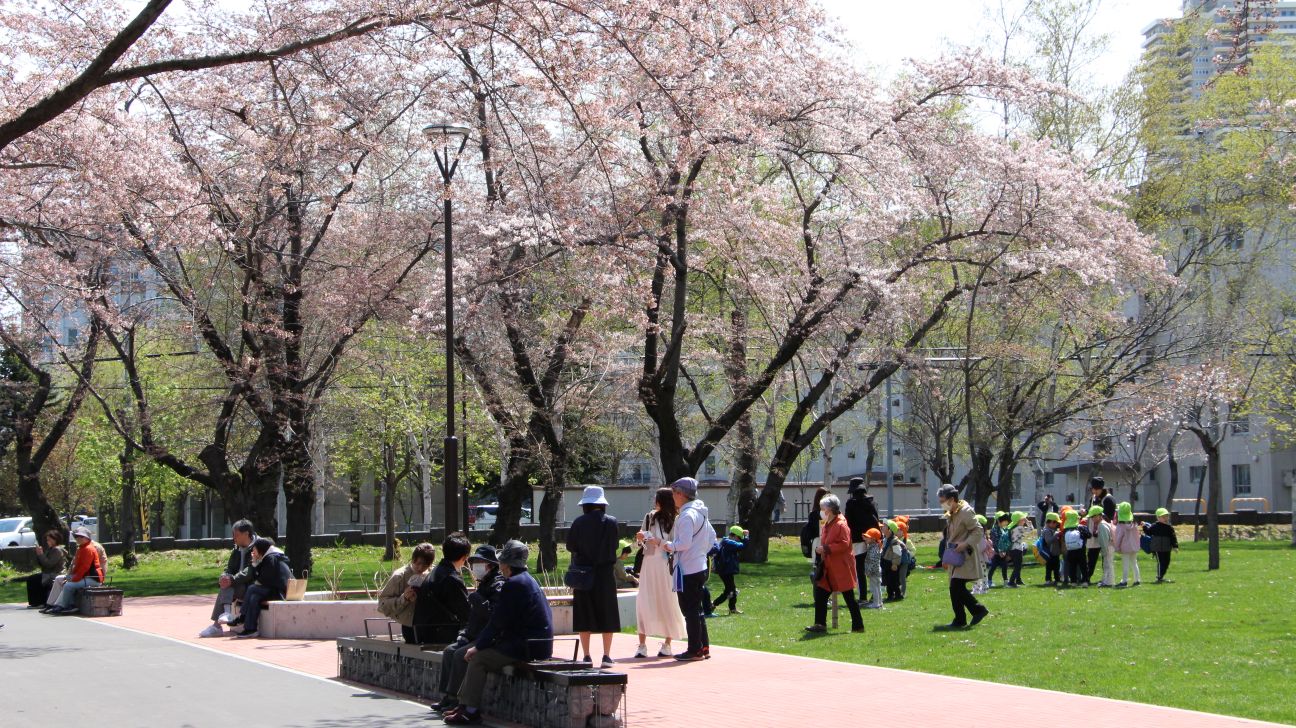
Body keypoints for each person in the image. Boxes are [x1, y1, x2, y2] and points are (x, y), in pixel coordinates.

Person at [443, 540, 553, 726]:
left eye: (501, 561)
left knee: (478, 659)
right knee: (476, 654)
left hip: (526, 646)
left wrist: (478, 647)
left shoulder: (514, 585)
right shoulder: (527, 580)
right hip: (535, 642)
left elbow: (497, 622)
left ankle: (470, 710)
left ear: (506, 564)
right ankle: (464, 705)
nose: (499, 564)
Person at [431, 545, 506, 716]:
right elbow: (474, 619)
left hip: (488, 638)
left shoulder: (497, 584)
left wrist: (478, 600)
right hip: (475, 634)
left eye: (480, 562)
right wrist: (464, 635)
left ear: (490, 565)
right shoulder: (484, 583)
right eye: (474, 562)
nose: (476, 566)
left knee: (460, 655)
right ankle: (448, 696)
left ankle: (457, 699)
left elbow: (492, 615)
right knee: (450, 651)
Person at [656, 476, 716, 662]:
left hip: (688, 568)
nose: (672, 496)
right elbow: (712, 536)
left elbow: (684, 543)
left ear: (681, 494)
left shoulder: (686, 515)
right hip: (699, 565)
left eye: (674, 493)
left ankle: (694, 649)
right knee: (696, 609)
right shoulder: (701, 512)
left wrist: (668, 545)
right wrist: (700, 552)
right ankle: (703, 647)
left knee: (689, 610)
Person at [567, 485, 621, 668]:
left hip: (583, 574)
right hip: (605, 573)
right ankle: (606, 655)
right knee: (608, 613)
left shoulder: (579, 522)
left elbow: (570, 546)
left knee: (584, 613)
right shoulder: (612, 522)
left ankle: (587, 655)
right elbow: (614, 546)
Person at [634, 487, 686, 658]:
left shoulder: (676, 520)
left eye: (657, 499)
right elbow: (641, 540)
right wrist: (641, 538)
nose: (655, 502)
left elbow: (675, 543)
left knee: (667, 600)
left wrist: (659, 541)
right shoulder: (650, 517)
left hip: (665, 564)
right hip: (649, 562)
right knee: (644, 599)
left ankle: (667, 643)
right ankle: (642, 645)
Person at [806, 494, 864, 632]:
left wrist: (826, 548)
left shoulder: (841, 524)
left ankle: (858, 625)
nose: (821, 511)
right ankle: (820, 624)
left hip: (841, 567)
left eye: (822, 508)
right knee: (820, 593)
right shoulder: (828, 523)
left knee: (849, 597)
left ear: (829, 510)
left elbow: (844, 544)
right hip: (829, 566)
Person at [936, 484, 988, 630]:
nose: (941, 504)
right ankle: (960, 619)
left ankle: (978, 610)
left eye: (943, 501)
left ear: (952, 499)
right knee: (954, 588)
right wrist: (945, 558)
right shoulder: (952, 512)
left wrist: (965, 544)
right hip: (954, 556)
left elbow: (978, 531)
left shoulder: (965, 511)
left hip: (965, 555)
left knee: (956, 586)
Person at [412, 532, 472, 645]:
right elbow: (466, 612)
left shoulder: (435, 572)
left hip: (423, 633)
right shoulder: (451, 578)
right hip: (441, 636)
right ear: (464, 557)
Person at [201, 519, 257, 637]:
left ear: (246, 534)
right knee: (226, 582)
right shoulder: (236, 549)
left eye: (236, 535)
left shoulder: (257, 548)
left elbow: (250, 571)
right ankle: (222, 618)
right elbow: (229, 568)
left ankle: (218, 624)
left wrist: (231, 579)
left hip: (252, 586)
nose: (234, 538)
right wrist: (224, 576)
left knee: (229, 583)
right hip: (238, 584)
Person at [377, 542, 437, 643]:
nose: (421, 568)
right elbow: (382, 604)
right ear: (413, 559)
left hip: (431, 624)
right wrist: (404, 598)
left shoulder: (432, 574)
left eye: (426, 565)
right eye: (418, 563)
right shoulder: (399, 576)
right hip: (411, 626)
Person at [230, 537, 291, 637]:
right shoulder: (268, 558)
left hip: (279, 592)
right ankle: (251, 629)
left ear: (261, 549)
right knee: (254, 598)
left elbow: (264, 579)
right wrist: (255, 563)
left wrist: (255, 565)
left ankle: (243, 617)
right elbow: (261, 578)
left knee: (252, 588)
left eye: (254, 550)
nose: (253, 552)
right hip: (273, 590)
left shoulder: (271, 558)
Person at [45, 527, 103, 615]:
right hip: (82, 577)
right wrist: (69, 577)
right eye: (76, 536)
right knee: (59, 579)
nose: (77, 538)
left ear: (87, 538)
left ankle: (64, 606)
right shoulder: (81, 548)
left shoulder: (88, 549)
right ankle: (51, 604)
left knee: (68, 585)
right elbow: (75, 567)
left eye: (80, 536)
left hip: (92, 578)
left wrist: (72, 579)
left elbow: (84, 568)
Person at [844, 477, 880, 603]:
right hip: (872, 537)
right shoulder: (872, 502)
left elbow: (848, 522)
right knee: (874, 567)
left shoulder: (851, 504)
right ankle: (876, 594)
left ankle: (863, 596)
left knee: (859, 568)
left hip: (858, 539)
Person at [710, 525, 747, 614]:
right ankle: (713, 604)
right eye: (739, 538)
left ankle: (731, 608)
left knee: (731, 590)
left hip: (726, 570)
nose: (739, 541)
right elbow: (742, 546)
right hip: (725, 570)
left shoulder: (726, 541)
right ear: (734, 536)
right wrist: (746, 537)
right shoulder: (728, 542)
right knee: (730, 590)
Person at [25, 530, 66, 608]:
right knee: (31, 578)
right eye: (47, 540)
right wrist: (39, 555)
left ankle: (40, 602)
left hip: (54, 573)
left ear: (56, 539)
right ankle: (35, 602)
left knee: (35, 580)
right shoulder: (50, 549)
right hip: (48, 572)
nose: (48, 542)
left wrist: (41, 555)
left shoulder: (57, 550)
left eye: (50, 540)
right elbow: (43, 564)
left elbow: (49, 564)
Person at [1143, 507, 1179, 582]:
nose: (1166, 518)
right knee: (1160, 562)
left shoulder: (1169, 528)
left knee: (1167, 562)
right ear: (1158, 518)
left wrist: (1175, 546)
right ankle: (1159, 577)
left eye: (1167, 516)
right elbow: (1148, 532)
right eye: (1163, 517)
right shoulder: (1154, 526)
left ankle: (1161, 576)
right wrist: (1144, 526)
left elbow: (1173, 537)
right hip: (1157, 548)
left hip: (1167, 548)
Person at [1112, 502, 1142, 587]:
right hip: (1134, 547)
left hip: (1125, 548)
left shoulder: (1121, 526)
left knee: (1125, 565)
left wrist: (1117, 548)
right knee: (1134, 563)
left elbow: (1118, 538)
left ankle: (1124, 581)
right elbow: (1137, 536)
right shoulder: (1134, 524)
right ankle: (1137, 580)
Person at [1062, 510, 1090, 587]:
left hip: (1070, 550)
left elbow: (1064, 539)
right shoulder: (1081, 527)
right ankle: (1085, 581)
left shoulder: (1065, 529)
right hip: (1081, 550)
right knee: (1083, 566)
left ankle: (1073, 582)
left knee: (1072, 566)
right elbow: (1089, 535)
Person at [860, 527, 884, 610]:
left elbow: (873, 561)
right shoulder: (875, 546)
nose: (866, 538)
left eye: (867, 537)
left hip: (873, 572)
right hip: (876, 571)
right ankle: (879, 603)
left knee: (874, 588)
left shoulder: (873, 548)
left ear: (873, 539)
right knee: (877, 587)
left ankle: (876, 603)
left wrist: (869, 571)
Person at [880, 520, 904, 602]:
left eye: (885, 526)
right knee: (887, 580)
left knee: (893, 581)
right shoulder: (885, 539)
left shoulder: (894, 541)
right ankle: (890, 595)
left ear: (890, 530)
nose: (882, 527)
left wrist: (895, 564)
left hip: (891, 563)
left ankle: (898, 595)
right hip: (886, 562)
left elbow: (897, 553)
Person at [1007, 511, 1030, 587]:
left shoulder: (1012, 528)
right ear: (1019, 520)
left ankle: (1018, 579)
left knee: (1017, 565)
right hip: (1017, 549)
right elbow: (1030, 529)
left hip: (1013, 549)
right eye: (1023, 519)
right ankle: (1011, 582)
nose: (1024, 520)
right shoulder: (1019, 528)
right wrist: (1029, 523)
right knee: (1018, 566)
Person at [988, 513, 1010, 588]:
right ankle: (989, 581)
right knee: (993, 566)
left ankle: (1006, 581)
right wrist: (999, 551)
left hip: (1003, 552)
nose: (1007, 522)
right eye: (1005, 521)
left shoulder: (1003, 529)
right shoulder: (994, 530)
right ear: (1000, 521)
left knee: (1004, 566)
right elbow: (995, 542)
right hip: (997, 553)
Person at [1041, 512, 1062, 586]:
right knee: (1049, 567)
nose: (1057, 525)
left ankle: (1057, 579)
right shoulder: (1047, 531)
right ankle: (1048, 580)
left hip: (1055, 553)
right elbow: (1048, 541)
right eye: (1056, 523)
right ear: (1051, 522)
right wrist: (1056, 535)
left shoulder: (1052, 529)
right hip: (1050, 553)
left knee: (1056, 567)